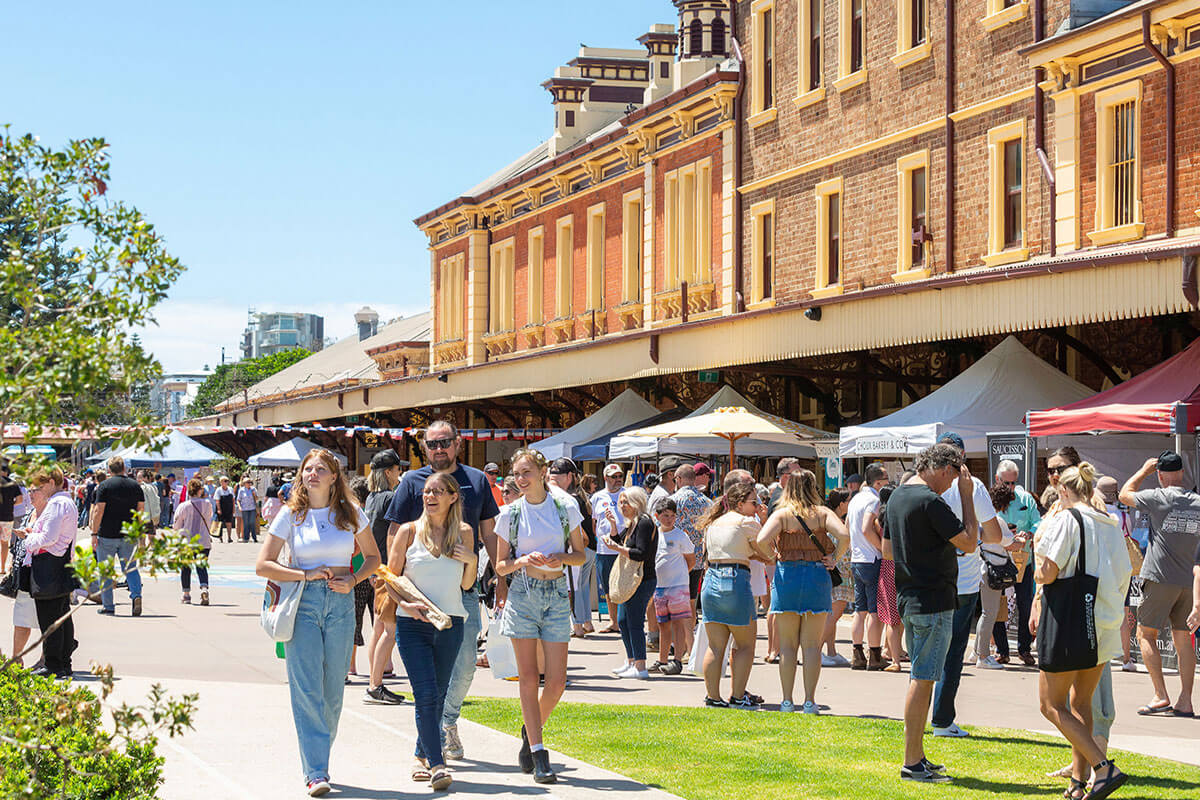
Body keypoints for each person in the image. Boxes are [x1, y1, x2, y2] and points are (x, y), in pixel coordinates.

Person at [255, 448, 380, 798]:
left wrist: (354, 580)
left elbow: (373, 558)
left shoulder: (351, 512)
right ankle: (316, 771)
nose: (312, 474)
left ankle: (318, 754)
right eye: (307, 469)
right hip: (304, 602)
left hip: (341, 602)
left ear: (334, 476)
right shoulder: (290, 515)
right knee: (307, 688)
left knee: (333, 692)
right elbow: (263, 564)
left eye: (320, 469)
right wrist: (304, 573)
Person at [384, 420, 500, 762]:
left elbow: (489, 533)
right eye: (432, 444)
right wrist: (395, 584)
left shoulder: (477, 480)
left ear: (458, 444)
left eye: (445, 442)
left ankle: (447, 722)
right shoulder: (411, 481)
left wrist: (499, 576)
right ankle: (434, 743)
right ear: (425, 448)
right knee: (427, 682)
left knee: (463, 667)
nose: (439, 449)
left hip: (461, 590)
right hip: (417, 592)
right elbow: (395, 533)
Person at [1034, 462, 1132, 800]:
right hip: (1102, 620)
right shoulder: (1109, 522)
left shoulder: (1065, 519)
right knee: (1082, 703)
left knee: (1051, 705)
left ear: (1062, 489)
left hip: (1068, 618)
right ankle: (1078, 781)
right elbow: (1124, 573)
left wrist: (1036, 557)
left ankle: (1103, 768)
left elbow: (1047, 571)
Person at [493, 448, 587, 784]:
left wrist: (558, 556)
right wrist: (521, 561)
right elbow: (500, 566)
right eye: (516, 474)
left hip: (557, 593)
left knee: (557, 682)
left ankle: (530, 728)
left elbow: (579, 556)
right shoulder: (511, 513)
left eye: (526, 472)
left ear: (543, 471)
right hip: (523, 594)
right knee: (529, 677)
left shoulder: (565, 507)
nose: (520, 479)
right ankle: (538, 751)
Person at [887, 443, 977, 784]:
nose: (954, 483)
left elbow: (887, 548)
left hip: (911, 596)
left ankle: (917, 757)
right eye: (955, 476)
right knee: (923, 679)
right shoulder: (929, 500)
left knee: (921, 677)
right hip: (932, 600)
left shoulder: (898, 497)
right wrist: (967, 497)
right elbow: (970, 541)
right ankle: (912, 761)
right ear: (943, 468)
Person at [385, 471, 475, 792]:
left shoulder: (464, 532)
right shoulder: (408, 532)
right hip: (413, 624)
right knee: (425, 693)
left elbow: (466, 585)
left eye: (438, 491)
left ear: (453, 497)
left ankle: (420, 755)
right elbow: (390, 579)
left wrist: (472, 559)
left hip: (450, 623)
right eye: (426, 491)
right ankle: (438, 764)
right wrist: (405, 606)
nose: (430, 496)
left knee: (437, 695)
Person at [929, 432, 1003, 739]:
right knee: (952, 652)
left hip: (932, 577)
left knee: (927, 651)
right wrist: (971, 540)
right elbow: (995, 533)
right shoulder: (973, 487)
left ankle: (919, 715)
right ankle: (942, 720)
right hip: (963, 580)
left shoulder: (924, 485)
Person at [757, 469, 849, 713]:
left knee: (787, 645)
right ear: (813, 487)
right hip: (817, 576)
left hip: (787, 576)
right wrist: (834, 558)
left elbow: (761, 539)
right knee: (811, 645)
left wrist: (773, 556)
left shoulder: (783, 514)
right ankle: (809, 700)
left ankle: (787, 701)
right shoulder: (822, 513)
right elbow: (844, 535)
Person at [1119, 451, 1199, 718]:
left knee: (1145, 634)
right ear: (1182, 474)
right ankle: (1186, 700)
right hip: (1189, 579)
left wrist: (1143, 470)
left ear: (1161, 475)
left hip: (1156, 576)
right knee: (1183, 641)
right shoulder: (1197, 502)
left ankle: (1160, 695)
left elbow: (1124, 494)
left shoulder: (1158, 496)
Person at [697, 481, 765, 709]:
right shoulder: (747, 522)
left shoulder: (713, 523)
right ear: (740, 503)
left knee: (716, 646)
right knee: (745, 645)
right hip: (736, 580)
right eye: (754, 502)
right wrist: (763, 524)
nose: (757, 507)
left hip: (711, 580)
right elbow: (770, 553)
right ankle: (737, 696)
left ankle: (713, 697)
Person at [16, 468, 78, 678]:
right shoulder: (66, 502)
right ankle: (63, 662)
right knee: (62, 616)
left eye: (39, 487)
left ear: (52, 482)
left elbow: (48, 537)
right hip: (59, 563)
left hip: (48, 565)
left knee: (49, 619)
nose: (37, 491)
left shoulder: (56, 504)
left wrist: (29, 538)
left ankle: (53, 664)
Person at [602, 487, 658, 679]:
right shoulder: (633, 523)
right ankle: (631, 660)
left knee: (634, 621)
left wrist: (617, 547)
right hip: (633, 579)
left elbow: (639, 553)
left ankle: (641, 666)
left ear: (637, 502)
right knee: (624, 621)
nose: (623, 506)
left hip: (642, 579)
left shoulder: (644, 523)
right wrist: (612, 525)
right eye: (621, 502)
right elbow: (621, 542)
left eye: (626, 502)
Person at [364, 449, 404, 705]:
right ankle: (375, 685)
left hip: (375, 568)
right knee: (390, 629)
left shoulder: (371, 498)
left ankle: (374, 680)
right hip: (388, 568)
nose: (400, 473)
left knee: (379, 627)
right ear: (389, 471)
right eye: (398, 469)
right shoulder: (391, 498)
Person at [992, 460, 1041, 666]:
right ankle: (1002, 649)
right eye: (1007, 483)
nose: (1011, 487)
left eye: (1014, 483)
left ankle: (1024, 648)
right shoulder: (990, 499)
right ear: (997, 480)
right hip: (998, 560)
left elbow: (1039, 522)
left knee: (1025, 604)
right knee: (997, 605)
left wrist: (1029, 533)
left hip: (1023, 561)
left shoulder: (1026, 499)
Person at [847, 463, 889, 671]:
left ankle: (857, 654)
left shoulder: (855, 499)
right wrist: (881, 548)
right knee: (874, 611)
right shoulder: (874, 499)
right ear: (878, 482)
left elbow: (848, 527)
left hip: (857, 558)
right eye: (886, 479)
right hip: (872, 559)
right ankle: (874, 655)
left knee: (859, 610)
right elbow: (866, 528)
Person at [548, 458, 597, 638]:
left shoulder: (535, 494)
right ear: (569, 476)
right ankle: (574, 627)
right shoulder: (567, 500)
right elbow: (581, 538)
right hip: (563, 560)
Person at [91, 456, 145, 617]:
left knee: (106, 571)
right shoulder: (135, 486)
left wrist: (94, 533)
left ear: (109, 470)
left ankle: (109, 605)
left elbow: (98, 510)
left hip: (107, 533)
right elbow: (140, 511)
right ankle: (136, 595)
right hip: (128, 534)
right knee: (131, 568)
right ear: (124, 469)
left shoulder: (104, 486)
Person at [1097, 476, 1140, 672]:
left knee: (1098, 611)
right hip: (1122, 568)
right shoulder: (1123, 516)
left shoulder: (1096, 514)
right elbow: (1129, 536)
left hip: (1100, 567)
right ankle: (1127, 658)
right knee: (1123, 613)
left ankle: (1100, 656)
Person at [649, 497, 695, 674]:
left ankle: (677, 660)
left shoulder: (680, 535)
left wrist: (680, 576)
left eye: (672, 516)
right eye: (665, 515)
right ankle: (662, 659)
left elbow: (690, 559)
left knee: (678, 623)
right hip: (660, 586)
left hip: (678, 585)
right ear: (657, 516)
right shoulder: (655, 535)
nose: (669, 519)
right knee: (663, 624)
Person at [671, 463, 711, 621]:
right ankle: (690, 637)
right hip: (698, 560)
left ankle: (679, 640)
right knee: (692, 600)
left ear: (679, 479)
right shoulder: (707, 502)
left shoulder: (673, 501)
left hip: (676, 559)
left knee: (676, 603)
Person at [590, 463, 626, 634]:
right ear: (605, 478)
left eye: (620, 476)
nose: (618, 480)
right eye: (614, 477)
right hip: (604, 550)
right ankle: (613, 622)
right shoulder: (597, 497)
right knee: (608, 587)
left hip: (623, 548)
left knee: (624, 585)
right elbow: (594, 522)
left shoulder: (627, 494)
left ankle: (624, 619)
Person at [821, 487, 854, 666]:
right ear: (841, 504)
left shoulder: (832, 520)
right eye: (848, 500)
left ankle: (831, 651)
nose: (851, 503)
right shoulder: (834, 522)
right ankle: (817, 650)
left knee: (832, 614)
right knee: (834, 614)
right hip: (838, 573)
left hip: (837, 572)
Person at [876, 485, 905, 673]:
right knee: (897, 618)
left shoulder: (880, 518)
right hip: (901, 565)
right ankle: (895, 657)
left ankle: (894, 655)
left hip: (887, 566)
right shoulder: (896, 516)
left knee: (892, 617)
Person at [172, 478, 213, 605]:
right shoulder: (207, 504)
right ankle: (204, 588)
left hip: (187, 541)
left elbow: (177, 525)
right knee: (201, 566)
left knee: (186, 567)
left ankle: (186, 594)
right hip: (204, 540)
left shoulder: (183, 506)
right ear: (200, 491)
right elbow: (209, 519)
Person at [0, 461, 23, 574]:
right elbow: (20, 500)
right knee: (4, 543)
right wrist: (10, 504)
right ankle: (2, 568)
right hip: (7, 517)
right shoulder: (13, 484)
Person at [213, 476, 236, 544]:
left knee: (229, 523)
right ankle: (220, 537)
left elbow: (233, 500)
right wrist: (219, 509)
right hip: (221, 508)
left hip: (229, 508)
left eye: (227, 481)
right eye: (224, 481)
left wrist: (233, 508)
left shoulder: (230, 489)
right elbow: (217, 500)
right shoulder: (218, 490)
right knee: (220, 523)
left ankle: (229, 537)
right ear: (221, 482)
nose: (226, 482)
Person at [136, 470, 160, 536]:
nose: (138, 479)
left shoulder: (141, 488)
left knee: (142, 539)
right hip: (153, 515)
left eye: (140, 477)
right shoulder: (154, 487)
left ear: (146, 478)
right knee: (152, 539)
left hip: (143, 516)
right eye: (137, 477)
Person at [237, 476, 259, 543]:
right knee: (246, 523)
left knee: (252, 522)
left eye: (250, 482)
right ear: (244, 483)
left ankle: (254, 537)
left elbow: (257, 499)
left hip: (252, 508)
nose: (249, 483)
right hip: (244, 508)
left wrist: (254, 494)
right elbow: (238, 500)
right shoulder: (241, 490)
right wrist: (239, 507)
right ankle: (246, 538)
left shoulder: (253, 489)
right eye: (247, 482)